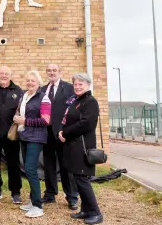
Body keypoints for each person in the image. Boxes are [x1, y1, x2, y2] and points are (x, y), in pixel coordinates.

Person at [58, 73, 103, 225]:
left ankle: (96, 213)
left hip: (83, 147)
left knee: (82, 179)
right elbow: (68, 120)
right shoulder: (76, 101)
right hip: (73, 146)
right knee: (77, 179)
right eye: (75, 84)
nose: (77, 87)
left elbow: (86, 124)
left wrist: (65, 132)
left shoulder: (90, 101)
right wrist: (62, 131)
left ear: (88, 85)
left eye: (80, 84)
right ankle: (85, 210)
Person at [41, 64, 78, 209]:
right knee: (48, 165)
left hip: (63, 133)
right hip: (46, 133)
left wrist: (66, 131)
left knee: (66, 166)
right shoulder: (43, 89)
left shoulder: (69, 88)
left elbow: (73, 110)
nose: (52, 73)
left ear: (60, 72)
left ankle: (72, 197)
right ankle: (50, 194)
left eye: (54, 70)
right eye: (49, 71)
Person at [0, 66, 23, 204]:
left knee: (14, 164)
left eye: (7, 73)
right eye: (1, 73)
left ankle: (15, 192)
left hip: (11, 135)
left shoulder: (18, 91)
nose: (4, 75)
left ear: (11, 75)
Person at [13, 70, 49, 218]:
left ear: (38, 83)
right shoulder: (24, 96)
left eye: (32, 81)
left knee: (31, 169)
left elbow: (46, 120)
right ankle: (33, 200)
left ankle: (38, 206)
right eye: (27, 80)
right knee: (28, 170)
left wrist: (24, 121)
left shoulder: (43, 98)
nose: (29, 83)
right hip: (25, 136)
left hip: (36, 138)